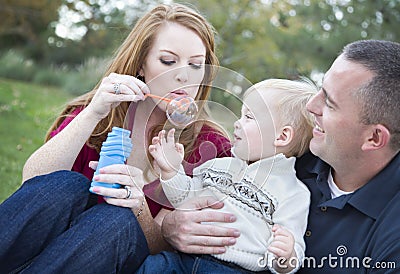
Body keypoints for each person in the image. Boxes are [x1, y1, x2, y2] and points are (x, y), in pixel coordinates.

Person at [0, 3, 232, 273]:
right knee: (67, 184)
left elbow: (162, 244)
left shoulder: (210, 146)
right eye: (168, 61)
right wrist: (92, 113)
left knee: (118, 219)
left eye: (196, 65)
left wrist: (138, 205)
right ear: (141, 65)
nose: (183, 76)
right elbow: (33, 186)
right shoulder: (98, 114)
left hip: (110, 249)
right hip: (43, 243)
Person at [161, 40, 400, 273]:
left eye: (330, 102)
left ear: (374, 138)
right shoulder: (289, 152)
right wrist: (171, 226)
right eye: (320, 90)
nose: (311, 107)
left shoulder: (392, 237)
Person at [138, 78, 317, 273]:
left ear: (281, 137)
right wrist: (171, 170)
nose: (237, 123)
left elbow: (294, 247)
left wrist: (286, 256)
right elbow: (184, 200)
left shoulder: (292, 192)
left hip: (233, 269)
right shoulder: (217, 166)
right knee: (152, 267)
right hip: (182, 259)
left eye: (249, 117)